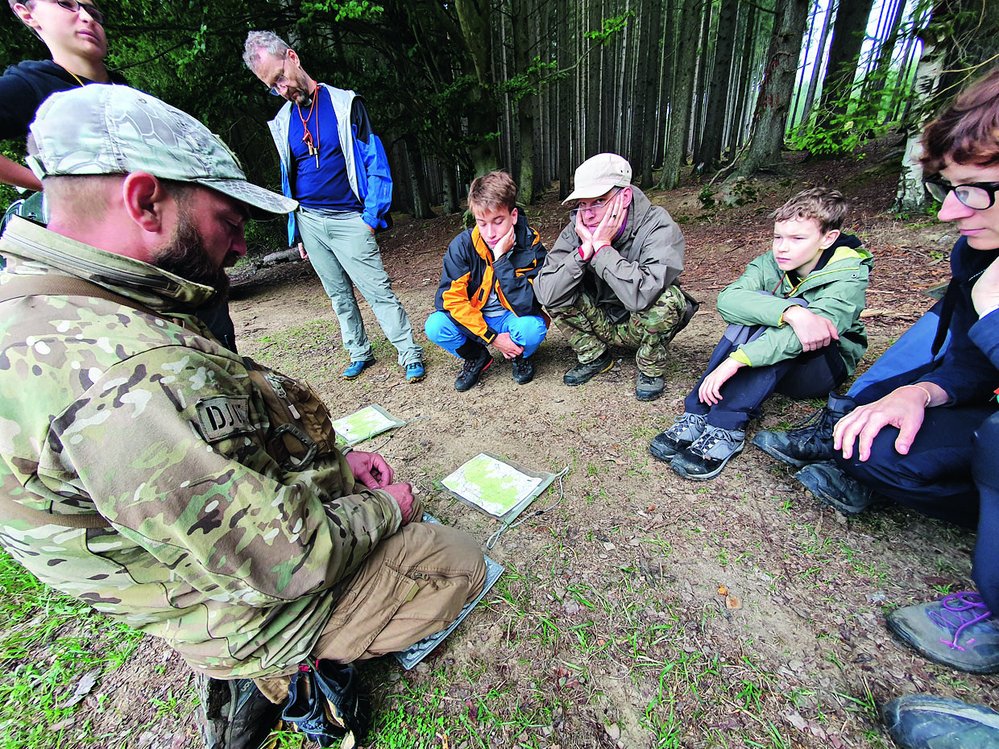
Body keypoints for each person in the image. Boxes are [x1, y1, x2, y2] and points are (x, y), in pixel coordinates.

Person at [0, 85, 485, 748]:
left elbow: (223, 455)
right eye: (227, 222)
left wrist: (336, 467)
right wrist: (389, 506)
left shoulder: (56, 305)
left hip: (197, 562)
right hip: (245, 601)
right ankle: (296, 671)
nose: (236, 248)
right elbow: (284, 556)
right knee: (456, 561)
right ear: (145, 201)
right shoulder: (124, 375)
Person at [0, 0, 241, 352]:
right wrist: (42, 183)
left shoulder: (124, 90)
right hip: (111, 274)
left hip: (172, 256)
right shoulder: (29, 84)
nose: (86, 17)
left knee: (214, 346)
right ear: (27, 13)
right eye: (66, 5)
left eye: (93, 11)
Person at [242, 31, 426, 384]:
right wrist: (296, 231)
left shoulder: (345, 105)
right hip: (309, 222)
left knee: (377, 291)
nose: (281, 89)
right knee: (338, 295)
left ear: (292, 57)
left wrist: (371, 218)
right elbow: (288, 180)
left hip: (350, 219)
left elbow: (375, 161)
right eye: (272, 86)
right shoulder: (283, 122)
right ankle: (359, 352)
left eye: (280, 77)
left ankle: (409, 352)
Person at [650, 188, 872, 480]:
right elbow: (728, 300)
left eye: (797, 239)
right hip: (775, 369)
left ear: (827, 238)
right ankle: (697, 412)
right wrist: (789, 313)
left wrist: (737, 360)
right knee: (772, 307)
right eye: (778, 237)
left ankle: (726, 426)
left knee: (793, 313)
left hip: (820, 369)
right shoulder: (771, 262)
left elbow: (805, 337)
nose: (781, 247)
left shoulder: (849, 274)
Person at [534, 153, 697, 401]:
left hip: (640, 322)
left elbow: (642, 296)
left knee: (668, 299)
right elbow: (545, 292)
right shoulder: (576, 230)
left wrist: (601, 249)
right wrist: (582, 253)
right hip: (599, 318)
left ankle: (650, 367)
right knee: (558, 287)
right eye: (582, 204)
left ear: (625, 197)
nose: (587, 214)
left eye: (599, 201)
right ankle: (595, 356)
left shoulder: (658, 225)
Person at [425, 171, 548, 391]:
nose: (490, 233)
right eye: (482, 223)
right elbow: (452, 301)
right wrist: (492, 338)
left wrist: (500, 260)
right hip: (478, 317)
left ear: (514, 215)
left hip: (513, 317)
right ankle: (477, 356)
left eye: (498, 221)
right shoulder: (462, 246)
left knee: (532, 328)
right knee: (435, 326)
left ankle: (519, 355)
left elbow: (529, 304)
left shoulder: (530, 243)